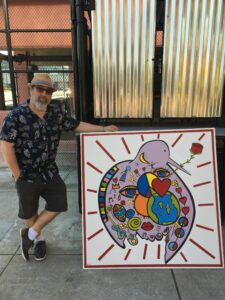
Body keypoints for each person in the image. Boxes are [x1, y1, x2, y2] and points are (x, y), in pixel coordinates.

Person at [0, 74, 118, 262]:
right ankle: (39, 240)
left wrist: (102, 129)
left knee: (58, 203)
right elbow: (6, 145)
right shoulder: (16, 116)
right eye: (40, 89)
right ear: (31, 90)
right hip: (26, 175)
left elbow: (77, 125)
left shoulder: (55, 113)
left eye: (48, 91)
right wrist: (17, 174)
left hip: (49, 171)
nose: (44, 94)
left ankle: (28, 235)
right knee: (30, 212)